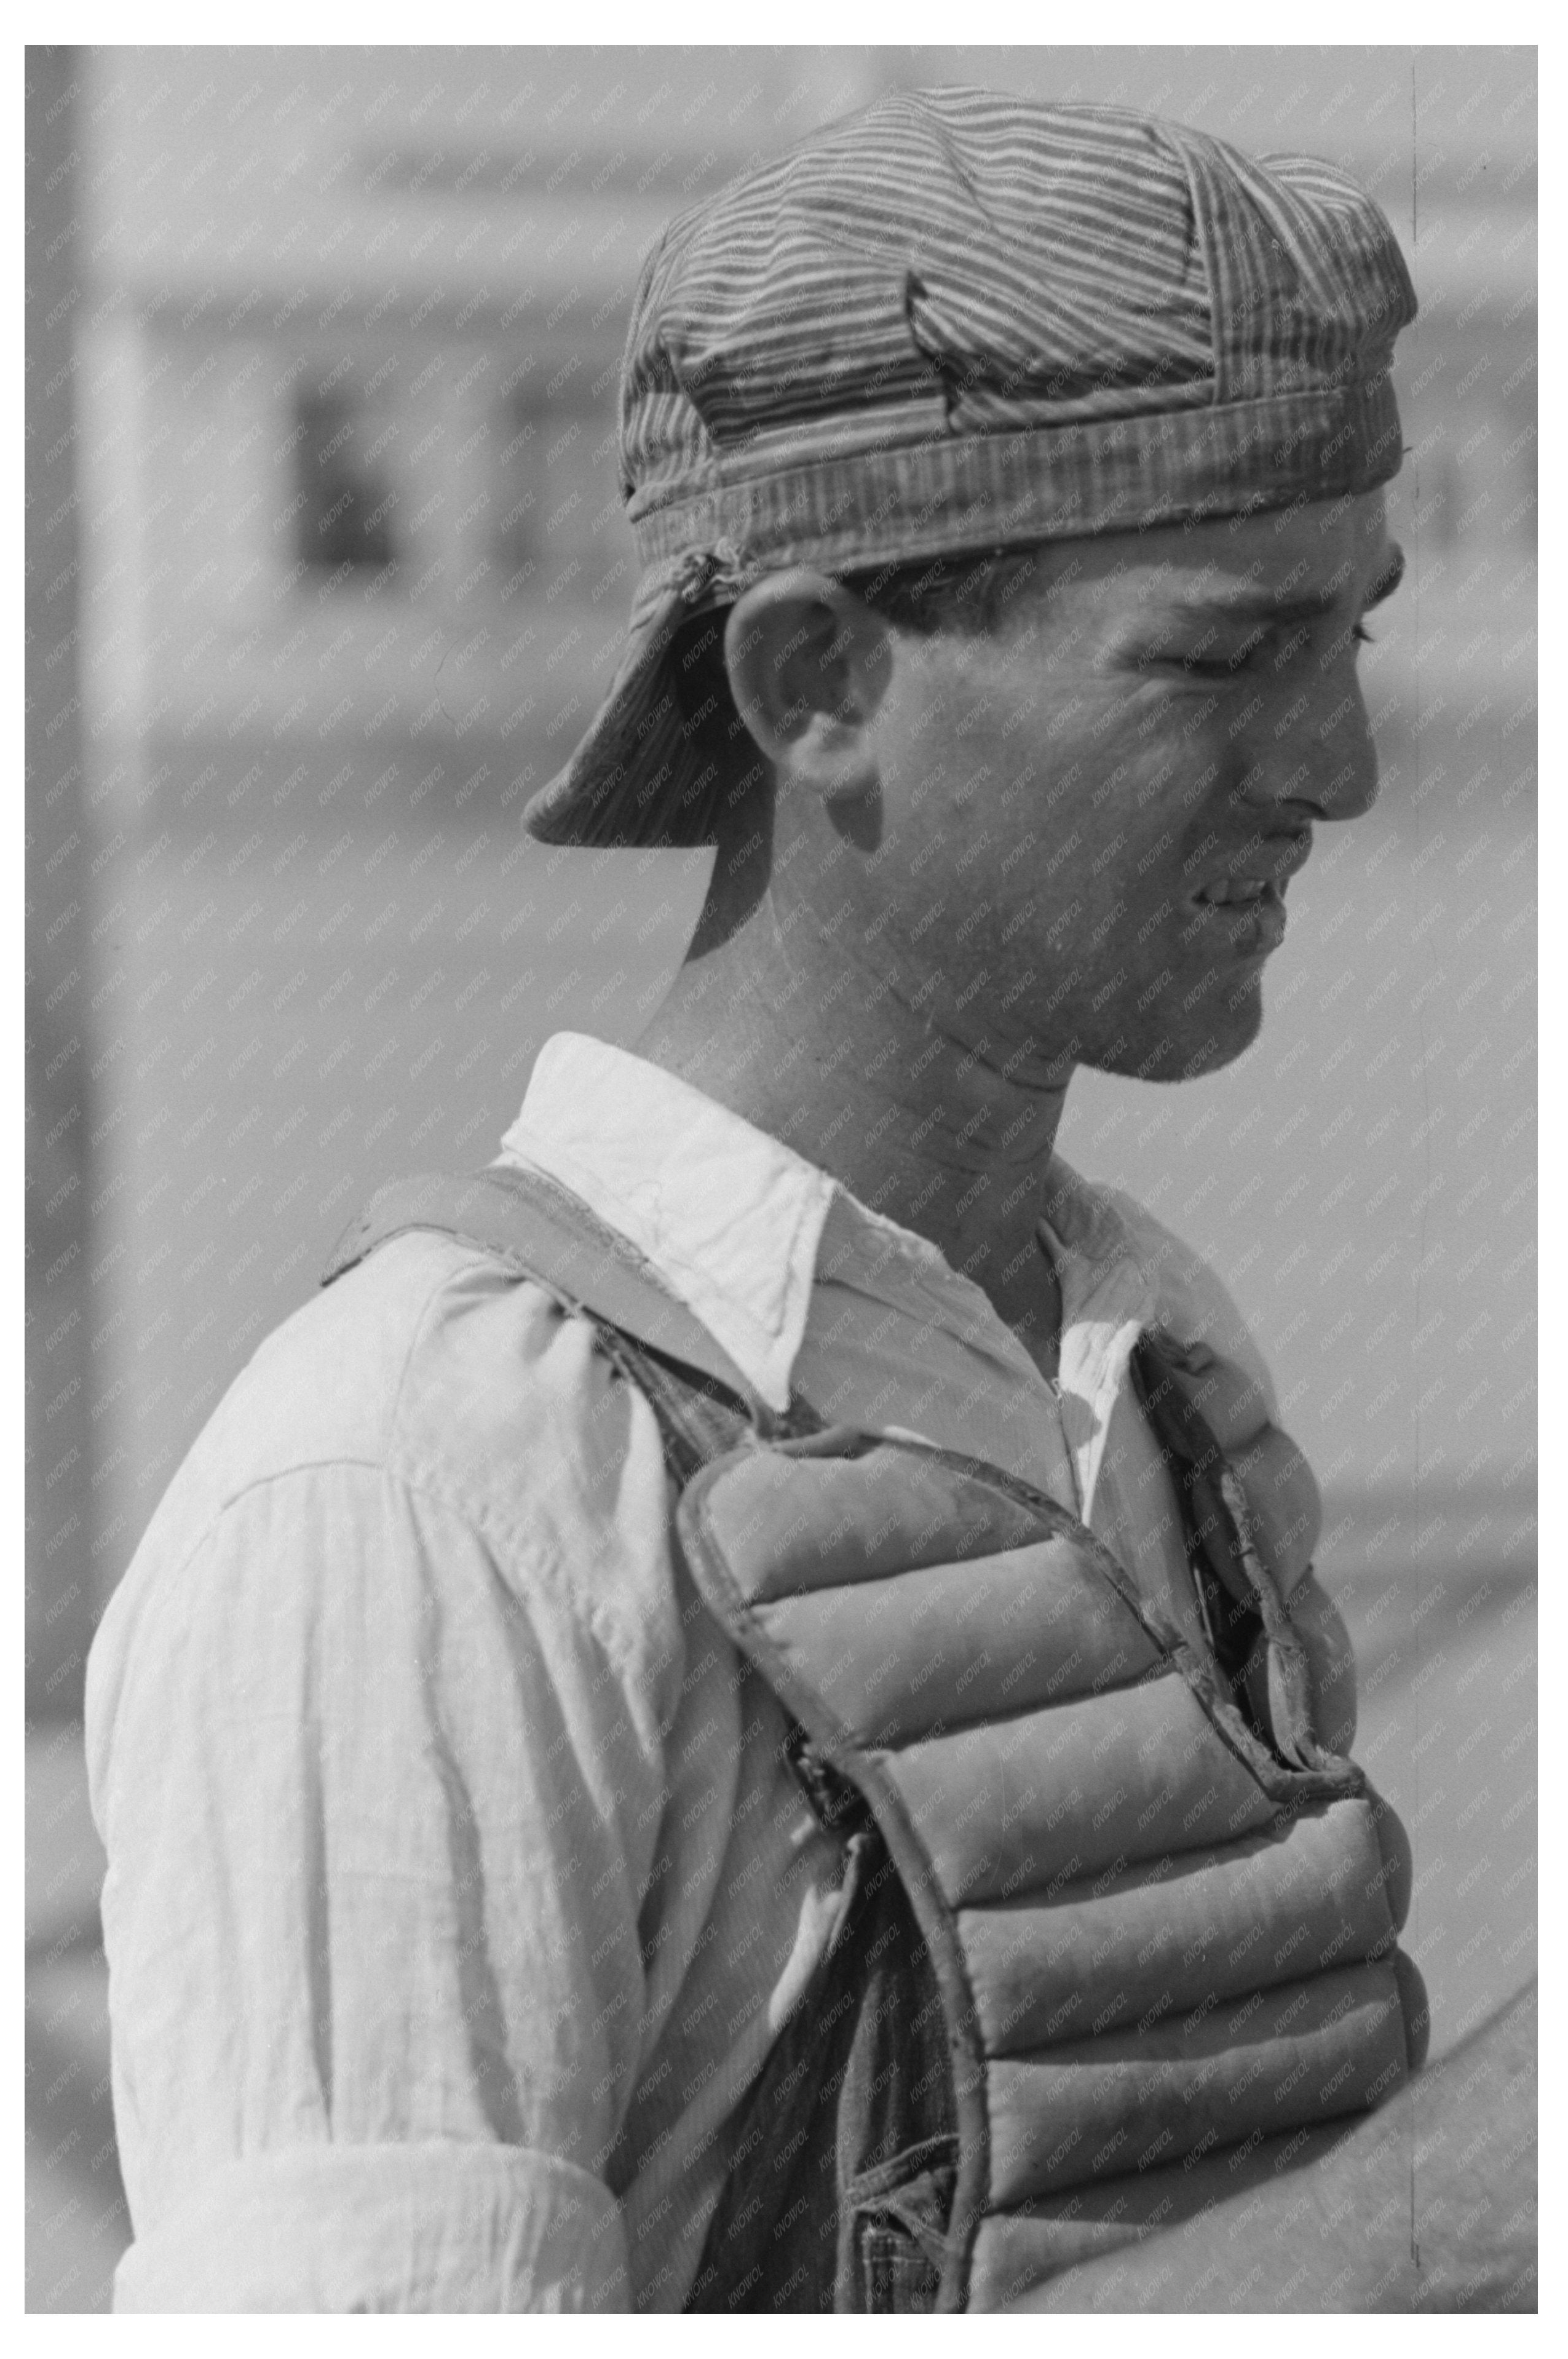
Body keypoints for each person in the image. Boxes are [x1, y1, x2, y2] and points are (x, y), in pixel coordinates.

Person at [85, 90, 1534, 2312]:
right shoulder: (423, 1498)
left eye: (1353, 634)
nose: (1339, 762)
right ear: (817, 684)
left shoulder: (1155, 1368)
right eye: (1218, 656)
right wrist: (1450, 2221)